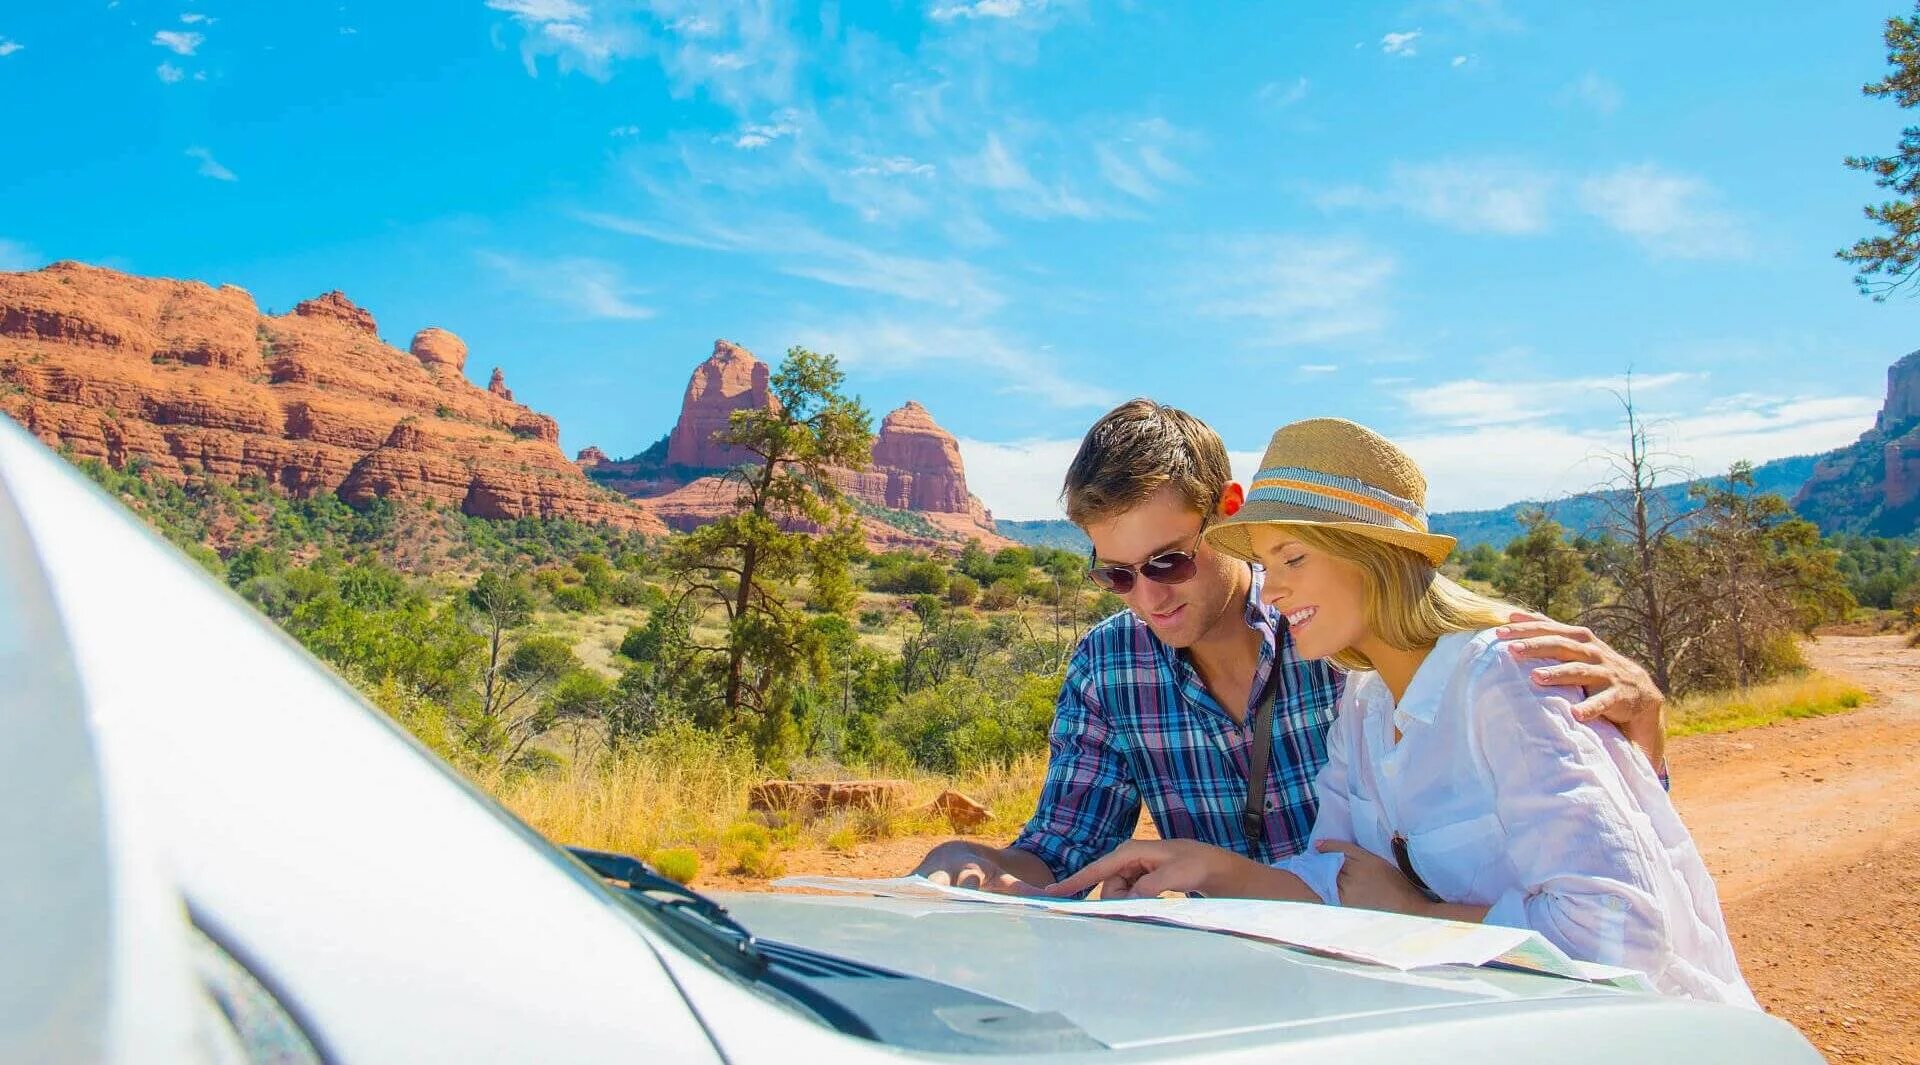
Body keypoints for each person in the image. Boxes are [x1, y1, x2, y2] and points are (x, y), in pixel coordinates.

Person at [1046, 418, 1752, 1005]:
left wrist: (1419, 916)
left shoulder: (1505, 674)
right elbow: (1338, 874)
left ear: (1373, 553)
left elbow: (1619, 933)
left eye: (1291, 558)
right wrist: (1202, 866)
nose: (1275, 590)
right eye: (1117, 575)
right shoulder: (1365, 698)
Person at [911, 400, 1667, 898]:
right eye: (1118, 573)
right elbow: (1064, 844)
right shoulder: (1109, 669)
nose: (1149, 596)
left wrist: (1642, 742)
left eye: (1168, 560)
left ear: (1229, 512)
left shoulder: (1346, 645)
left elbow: (1609, 873)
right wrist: (980, 865)